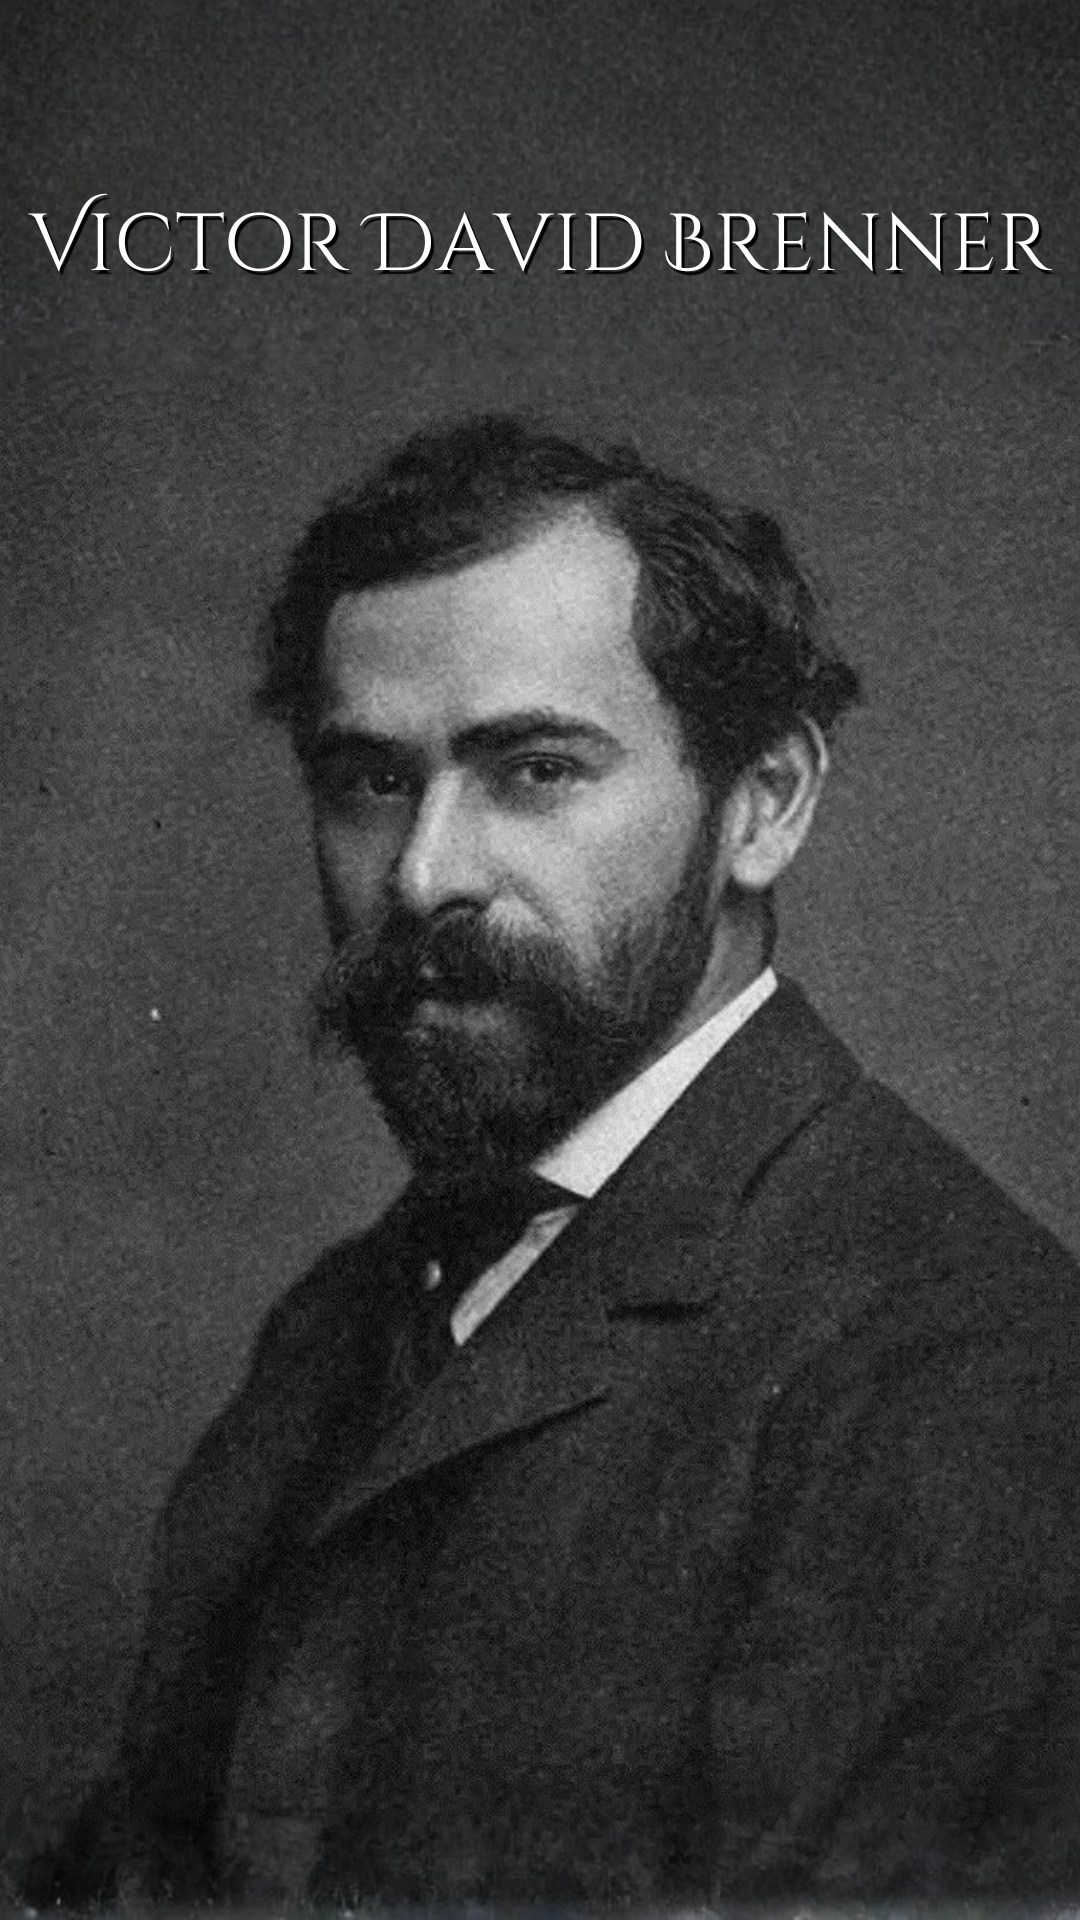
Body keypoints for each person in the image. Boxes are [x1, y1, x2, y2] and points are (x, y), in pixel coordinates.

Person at [36, 415, 1080, 1907]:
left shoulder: (967, 1379)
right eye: (369, 781)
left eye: (533, 770)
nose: (424, 876)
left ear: (765, 802)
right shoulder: (337, 1323)